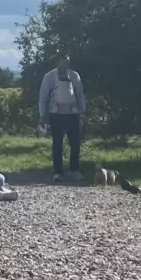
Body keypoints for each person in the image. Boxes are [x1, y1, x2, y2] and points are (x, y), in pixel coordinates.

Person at [38, 52, 86, 182]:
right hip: (56, 114)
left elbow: (80, 94)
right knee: (57, 144)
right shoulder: (49, 77)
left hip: (72, 113)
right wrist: (42, 116)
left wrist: (83, 112)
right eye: (62, 61)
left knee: (75, 144)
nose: (65, 64)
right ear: (57, 62)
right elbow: (43, 97)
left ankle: (74, 170)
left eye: (67, 61)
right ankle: (58, 172)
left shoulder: (74, 76)